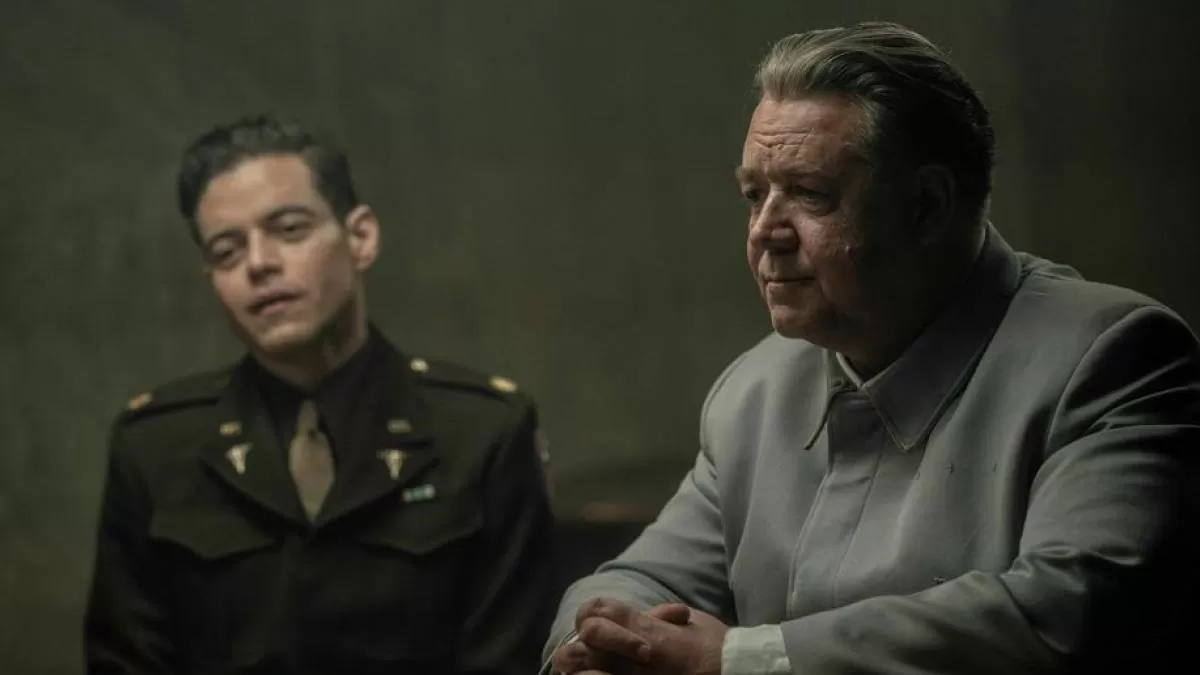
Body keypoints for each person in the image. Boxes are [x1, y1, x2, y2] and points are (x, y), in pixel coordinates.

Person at [544, 21, 1200, 675]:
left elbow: (1064, 611)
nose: (765, 230)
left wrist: (738, 660)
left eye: (809, 193)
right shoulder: (753, 391)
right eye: (754, 194)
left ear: (927, 206)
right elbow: (640, 580)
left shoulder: (1112, 357)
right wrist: (599, 649)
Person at [84, 115, 558, 674]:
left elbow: (512, 656)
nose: (259, 264)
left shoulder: (481, 432)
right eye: (227, 251)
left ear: (361, 238)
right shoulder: (157, 448)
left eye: (289, 229)